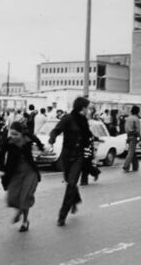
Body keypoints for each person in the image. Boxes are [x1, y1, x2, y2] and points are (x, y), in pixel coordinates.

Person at [48, 97, 93, 226]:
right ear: (82, 107)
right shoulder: (68, 118)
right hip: (67, 156)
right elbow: (56, 130)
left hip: (78, 157)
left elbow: (87, 135)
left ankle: (62, 215)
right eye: (87, 108)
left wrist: (94, 138)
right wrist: (52, 138)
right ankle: (75, 199)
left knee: (71, 183)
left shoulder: (84, 121)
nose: (88, 110)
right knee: (69, 181)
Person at [0, 121, 44, 232]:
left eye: (16, 134)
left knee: (25, 197)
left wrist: (41, 148)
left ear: (21, 133)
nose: (13, 137)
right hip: (15, 173)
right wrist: (2, 167)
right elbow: (1, 154)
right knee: (11, 198)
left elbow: (36, 140)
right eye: (11, 133)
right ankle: (19, 210)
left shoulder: (27, 138)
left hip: (29, 172)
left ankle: (24, 221)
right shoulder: (8, 142)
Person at [123, 106, 141, 172]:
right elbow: (138, 130)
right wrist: (140, 139)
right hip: (134, 136)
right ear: (138, 111)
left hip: (128, 136)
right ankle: (126, 165)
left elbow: (125, 128)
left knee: (132, 151)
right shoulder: (136, 119)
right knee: (131, 152)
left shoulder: (128, 118)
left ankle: (135, 166)